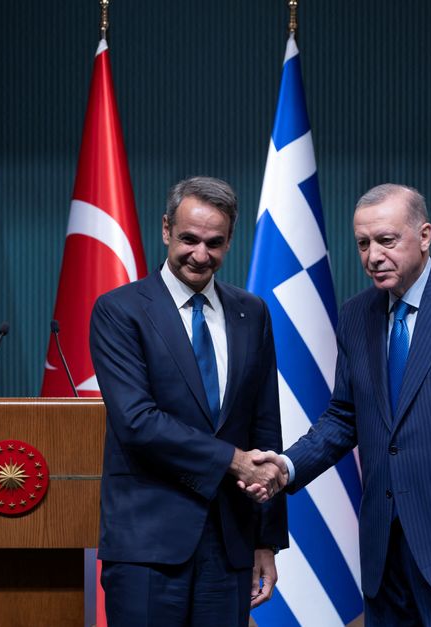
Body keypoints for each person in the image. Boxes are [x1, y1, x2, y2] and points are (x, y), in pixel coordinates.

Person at [245, 183, 431, 625]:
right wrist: (285, 468)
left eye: (387, 240)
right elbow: (344, 416)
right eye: (363, 244)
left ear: (424, 236)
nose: (373, 255)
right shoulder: (356, 314)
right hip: (385, 554)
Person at [90, 176, 288, 627]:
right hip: (148, 547)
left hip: (230, 544)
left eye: (214, 243)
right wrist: (234, 461)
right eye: (189, 239)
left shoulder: (250, 312)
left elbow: (265, 427)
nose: (201, 255)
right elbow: (137, 422)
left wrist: (265, 540)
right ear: (165, 230)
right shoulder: (120, 310)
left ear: (230, 240)